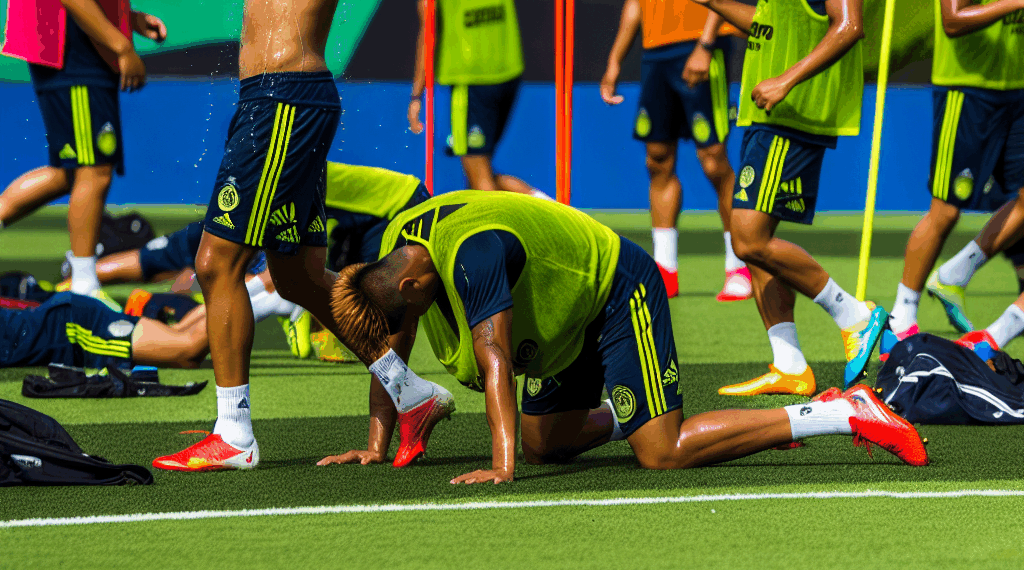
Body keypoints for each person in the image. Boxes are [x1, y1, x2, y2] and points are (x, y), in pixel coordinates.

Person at [318, 191, 928, 484]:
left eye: (404, 319)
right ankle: (632, 413)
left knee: (661, 451)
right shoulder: (400, 252)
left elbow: (496, 358)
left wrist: (499, 469)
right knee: (541, 442)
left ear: (413, 284)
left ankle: (840, 413)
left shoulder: (468, 259)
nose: (405, 334)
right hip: (565, 319)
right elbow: (388, 344)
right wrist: (377, 440)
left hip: (615, 289)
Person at [152, 1, 450, 473]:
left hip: (283, 99)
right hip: (278, 99)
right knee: (297, 277)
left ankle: (233, 434)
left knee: (216, 263)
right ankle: (409, 390)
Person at [691, 0, 888, 396]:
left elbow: (850, 26)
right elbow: (768, 27)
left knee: (748, 239)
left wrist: (786, 80)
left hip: (791, 115)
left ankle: (853, 315)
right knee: (754, 246)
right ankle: (790, 366)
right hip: (767, 114)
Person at [0, 0, 166, 296]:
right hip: (73, 49)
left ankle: (84, 282)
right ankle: (84, 286)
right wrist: (121, 46)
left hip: (75, 42)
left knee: (74, 172)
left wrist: (130, 19)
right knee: (93, 169)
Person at [887, 0, 1024, 338]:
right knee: (946, 211)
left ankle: (956, 274)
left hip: (1017, 89)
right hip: (966, 90)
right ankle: (900, 320)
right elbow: (953, 19)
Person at [601, 0, 749, 300]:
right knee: (657, 160)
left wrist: (705, 45)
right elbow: (635, 5)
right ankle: (665, 270)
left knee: (713, 161)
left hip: (701, 43)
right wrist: (615, 60)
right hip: (656, 53)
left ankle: (738, 265)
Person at [407, 0, 550, 198]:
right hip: (508, 69)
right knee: (479, 172)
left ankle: (521, 223)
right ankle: (549, 207)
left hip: (470, 78)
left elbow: (428, 30)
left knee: (479, 179)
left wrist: (416, 95)